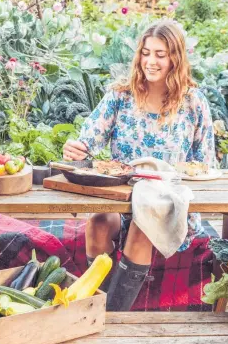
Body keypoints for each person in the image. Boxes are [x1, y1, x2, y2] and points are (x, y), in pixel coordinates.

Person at [63, 21, 215, 312]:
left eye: (160, 54)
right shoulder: (120, 96)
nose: (151, 61)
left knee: (143, 224)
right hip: (121, 196)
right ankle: (96, 312)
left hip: (166, 202)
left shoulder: (193, 102)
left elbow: (203, 164)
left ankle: (109, 320)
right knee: (97, 222)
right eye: (146, 53)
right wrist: (76, 149)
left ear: (175, 58)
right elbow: (87, 142)